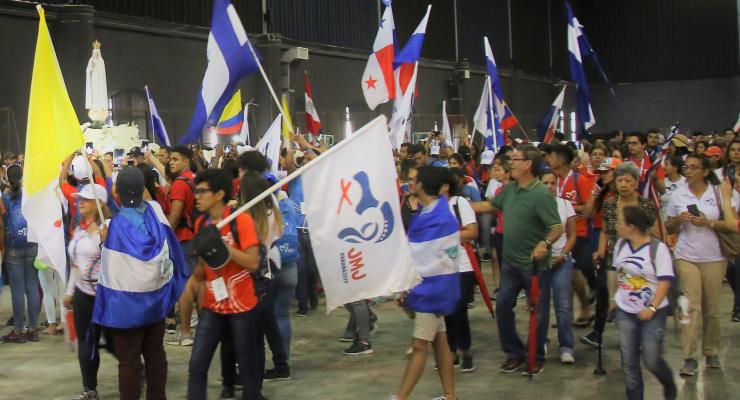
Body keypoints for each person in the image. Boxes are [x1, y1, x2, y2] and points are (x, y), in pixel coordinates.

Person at [93, 167, 188, 400]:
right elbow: (171, 251)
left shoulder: (116, 226)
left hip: (127, 309)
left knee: (128, 361)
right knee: (155, 353)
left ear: (117, 192)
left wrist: (104, 243)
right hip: (156, 302)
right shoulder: (156, 213)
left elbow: (113, 266)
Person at [471, 145, 563, 375]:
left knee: (538, 312)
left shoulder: (541, 194)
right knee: (502, 307)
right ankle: (514, 352)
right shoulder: (510, 190)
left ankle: (535, 356)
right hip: (510, 263)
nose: (510, 163)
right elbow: (491, 206)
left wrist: (545, 243)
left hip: (534, 266)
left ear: (528, 164)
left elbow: (556, 227)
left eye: (515, 159)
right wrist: (459, 206)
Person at [186, 169, 266, 400]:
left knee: (248, 369)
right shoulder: (201, 223)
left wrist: (225, 248)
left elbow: (253, 262)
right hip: (213, 305)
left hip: (243, 307)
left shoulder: (240, 220)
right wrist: (193, 280)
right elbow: (203, 267)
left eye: (202, 192)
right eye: (196, 191)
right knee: (197, 366)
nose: (197, 197)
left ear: (219, 194)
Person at [665, 154, 737, 375]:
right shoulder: (678, 195)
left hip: (714, 256)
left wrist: (709, 222)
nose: (689, 171)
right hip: (686, 256)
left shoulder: (719, 193)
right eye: (688, 167)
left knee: (712, 307)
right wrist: (680, 220)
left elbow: (733, 224)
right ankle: (689, 356)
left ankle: (711, 350)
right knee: (691, 305)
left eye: (695, 168)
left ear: (706, 172)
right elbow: (669, 227)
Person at [392, 166, 459, 400]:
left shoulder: (437, 218)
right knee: (440, 341)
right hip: (434, 290)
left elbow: (430, 262)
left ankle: (400, 397)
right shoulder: (430, 213)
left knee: (420, 345)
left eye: (414, 180)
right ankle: (450, 395)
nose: (411, 183)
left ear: (421, 185)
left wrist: (409, 290)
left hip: (431, 292)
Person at [582, 162, 658, 348]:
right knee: (604, 293)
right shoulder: (609, 203)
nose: (623, 184)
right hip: (613, 255)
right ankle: (597, 332)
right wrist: (600, 250)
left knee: (638, 295)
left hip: (639, 258)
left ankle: (639, 335)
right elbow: (605, 231)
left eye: (628, 181)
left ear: (635, 183)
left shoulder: (645, 204)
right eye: (620, 180)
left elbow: (654, 232)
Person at [611, 205, 677, 400]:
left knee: (651, 359)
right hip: (626, 312)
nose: (616, 225)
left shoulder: (658, 249)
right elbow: (619, 274)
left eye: (620, 222)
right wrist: (616, 298)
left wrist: (652, 307)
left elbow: (665, 281)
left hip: (653, 313)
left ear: (631, 226)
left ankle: (669, 385)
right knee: (629, 363)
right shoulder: (620, 246)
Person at [64, 184, 110, 400]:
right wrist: (70, 290)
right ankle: (89, 389)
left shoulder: (109, 226)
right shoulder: (80, 228)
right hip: (83, 295)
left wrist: (98, 236)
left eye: (86, 199)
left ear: (100, 204)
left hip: (106, 295)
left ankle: (135, 373)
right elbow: (76, 263)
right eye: (79, 198)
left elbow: (112, 256)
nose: (80, 201)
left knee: (115, 343)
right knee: (86, 343)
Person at [442, 168, 479, 372]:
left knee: (458, 308)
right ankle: (451, 350)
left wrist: (445, 238)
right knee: (446, 310)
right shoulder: (432, 207)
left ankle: (464, 349)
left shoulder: (459, 203)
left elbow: (472, 232)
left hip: (463, 264)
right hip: (441, 266)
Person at [540, 170, 577, 364]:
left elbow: (572, 235)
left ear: (557, 184)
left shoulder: (566, 205)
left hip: (562, 261)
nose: (549, 186)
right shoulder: (533, 206)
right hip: (541, 262)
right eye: (545, 183)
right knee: (541, 304)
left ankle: (566, 346)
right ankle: (540, 342)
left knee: (563, 304)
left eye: (552, 183)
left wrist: (563, 255)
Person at [1, 164, 41, 344]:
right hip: (32, 244)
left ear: (8, 178)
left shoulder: (5, 197)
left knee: (17, 291)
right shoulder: (31, 195)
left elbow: (3, 222)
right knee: (32, 287)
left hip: (13, 248)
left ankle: (18, 330)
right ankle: (33, 329)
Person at [167, 145, 199, 345]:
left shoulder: (179, 184)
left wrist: (165, 236)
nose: (171, 162)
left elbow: (176, 215)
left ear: (186, 161)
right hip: (195, 236)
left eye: (175, 158)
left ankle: (185, 332)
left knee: (185, 286)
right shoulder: (193, 179)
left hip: (184, 239)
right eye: (170, 158)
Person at [626, 131, 665, 195]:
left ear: (643, 145)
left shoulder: (654, 162)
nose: (630, 146)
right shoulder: (625, 162)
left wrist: (655, 179)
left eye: (634, 143)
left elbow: (662, 191)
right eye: (629, 143)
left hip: (650, 202)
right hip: (631, 202)